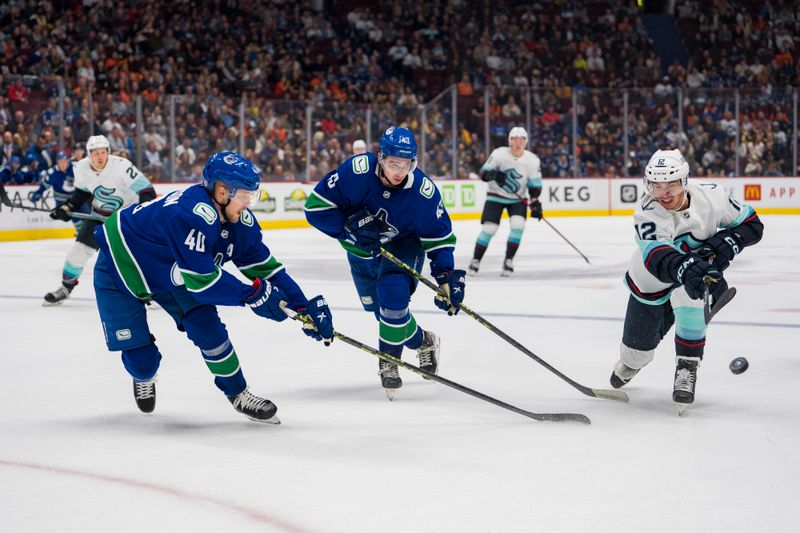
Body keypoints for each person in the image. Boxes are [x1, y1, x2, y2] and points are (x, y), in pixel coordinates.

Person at [92, 151, 334, 423]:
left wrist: (303, 307)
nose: (248, 204)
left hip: (174, 272)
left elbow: (268, 269)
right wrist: (251, 295)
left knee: (209, 329)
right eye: (244, 195)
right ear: (221, 191)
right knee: (143, 362)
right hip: (121, 269)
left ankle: (239, 394)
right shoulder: (191, 215)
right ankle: (143, 376)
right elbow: (203, 283)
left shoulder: (237, 221)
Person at [304, 126, 465, 399]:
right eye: (393, 163)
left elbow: (440, 238)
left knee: (394, 295)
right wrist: (348, 229)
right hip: (361, 251)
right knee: (386, 315)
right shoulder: (356, 172)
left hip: (404, 244)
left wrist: (446, 275)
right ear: (380, 157)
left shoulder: (423, 193)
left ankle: (389, 361)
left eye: (407, 164)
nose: (400, 171)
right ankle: (424, 341)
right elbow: (315, 209)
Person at [610, 149, 763, 411]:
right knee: (637, 351)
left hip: (693, 269)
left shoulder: (712, 195)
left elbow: (752, 224)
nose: (664, 193)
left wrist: (726, 243)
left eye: (671, 184)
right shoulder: (647, 211)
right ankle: (633, 362)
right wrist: (689, 267)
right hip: (652, 277)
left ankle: (687, 365)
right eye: (656, 186)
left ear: (685, 181)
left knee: (694, 298)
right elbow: (658, 257)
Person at [44, 135, 155, 305]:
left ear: (108, 152)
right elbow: (81, 194)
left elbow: (147, 191)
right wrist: (66, 208)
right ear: (89, 154)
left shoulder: (121, 166)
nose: (100, 157)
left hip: (124, 219)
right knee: (77, 252)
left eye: (103, 152)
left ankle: (150, 292)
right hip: (99, 217)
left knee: (133, 257)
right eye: (95, 153)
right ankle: (66, 288)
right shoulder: (81, 167)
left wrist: (140, 216)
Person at [468, 127, 543, 276]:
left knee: (518, 225)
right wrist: (494, 174)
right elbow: (483, 173)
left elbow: (535, 185)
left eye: (521, 139)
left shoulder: (532, 160)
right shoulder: (499, 154)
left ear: (526, 142)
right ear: (510, 141)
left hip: (517, 198)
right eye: (515, 139)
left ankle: (509, 260)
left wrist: (535, 202)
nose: (518, 142)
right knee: (490, 229)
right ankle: (476, 260)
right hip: (495, 195)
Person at [29, 151, 89, 230]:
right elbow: (44, 186)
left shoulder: (74, 168)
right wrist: (38, 194)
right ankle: (82, 236)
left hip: (75, 199)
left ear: (67, 160)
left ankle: (91, 234)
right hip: (62, 201)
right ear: (57, 162)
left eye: (64, 161)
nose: (63, 164)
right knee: (75, 218)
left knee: (89, 216)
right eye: (60, 162)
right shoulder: (52, 173)